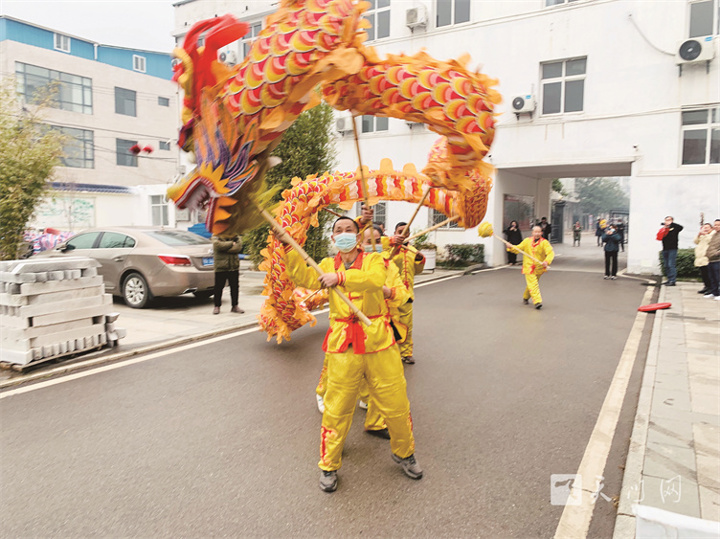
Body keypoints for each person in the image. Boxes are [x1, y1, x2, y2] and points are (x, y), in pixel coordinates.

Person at [282, 216, 422, 492]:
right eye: (338, 231)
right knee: (337, 408)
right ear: (333, 238)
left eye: (349, 230)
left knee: (395, 403)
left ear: (358, 237)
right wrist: (288, 248)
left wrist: (342, 277)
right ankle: (329, 464)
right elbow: (303, 277)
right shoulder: (324, 265)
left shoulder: (375, 261)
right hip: (343, 345)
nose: (344, 234)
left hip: (379, 341)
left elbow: (376, 280)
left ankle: (405, 453)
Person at [389, 222, 426, 365]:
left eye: (406, 232)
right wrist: (395, 248)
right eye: (400, 231)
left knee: (407, 326)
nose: (403, 234)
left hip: (407, 296)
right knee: (390, 326)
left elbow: (417, 271)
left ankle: (406, 353)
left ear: (409, 234)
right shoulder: (389, 250)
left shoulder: (412, 251)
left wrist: (419, 261)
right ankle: (389, 353)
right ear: (395, 232)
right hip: (390, 295)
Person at [507, 225, 555, 309]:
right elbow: (518, 249)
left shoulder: (544, 242)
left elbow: (550, 253)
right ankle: (537, 301)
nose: (537, 233)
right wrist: (510, 247)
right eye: (535, 232)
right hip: (528, 267)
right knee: (533, 284)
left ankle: (525, 297)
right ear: (532, 233)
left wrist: (546, 261)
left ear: (541, 233)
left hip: (539, 268)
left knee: (532, 284)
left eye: (538, 232)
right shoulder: (526, 241)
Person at [211, 234, 244, 315]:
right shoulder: (217, 235)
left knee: (235, 287)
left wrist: (225, 248)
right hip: (221, 267)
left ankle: (235, 306)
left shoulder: (235, 236)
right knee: (218, 287)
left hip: (233, 266)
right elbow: (217, 246)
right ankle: (217, 306)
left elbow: (238, 247)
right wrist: (231, 243)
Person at [657, 216, 684, 286]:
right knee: (666, 265)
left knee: (671, 264)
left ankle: (672, 280)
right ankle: (669, 279)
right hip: (665, 248)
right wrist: (665, 227)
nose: (667, 221)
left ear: (672, 221)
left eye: (669, 220)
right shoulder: (664, 229)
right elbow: (659, 237)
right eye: (666, 220)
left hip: (672, 248)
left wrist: (671, 224)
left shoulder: (675, 228)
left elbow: (681, 227)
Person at [694, 223, 714, 295]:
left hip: (707, 257)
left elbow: (710, 240)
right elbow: (696, 241)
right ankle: (706, 286)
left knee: (709, 274)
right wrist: (699, 235)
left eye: (707, 227)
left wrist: (705, 234)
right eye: (704, 227)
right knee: (703, 273)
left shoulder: (713, 234)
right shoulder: (702, 235)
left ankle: (711, 288)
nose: (705, 229)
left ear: (711, 228)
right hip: (700, 257)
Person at [704, 219, 720, 300]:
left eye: (718, 225)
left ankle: (719, 294)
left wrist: (716, 253)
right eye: (715, 225)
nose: (716, 226)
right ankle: (714, 292)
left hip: (717, 259)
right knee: (712, 277)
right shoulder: (714, 234)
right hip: (711, 259)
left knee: (718, 278)